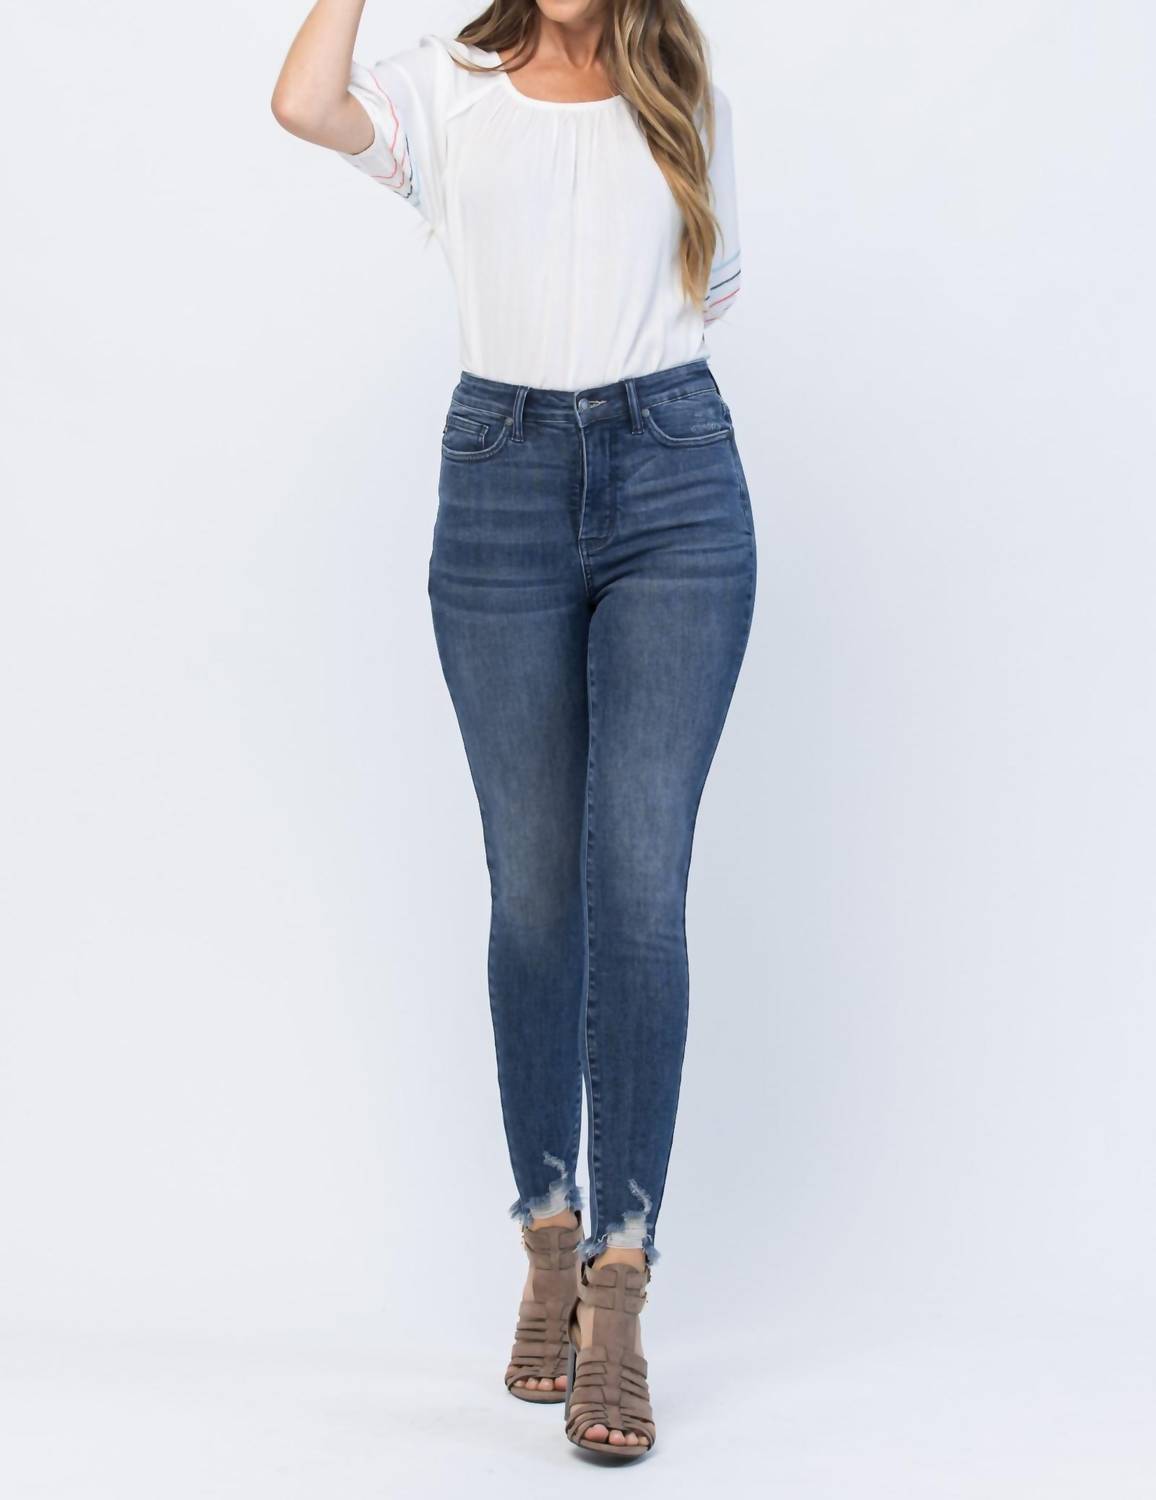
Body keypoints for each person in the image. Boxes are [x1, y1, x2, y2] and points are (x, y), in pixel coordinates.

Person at [272, 0, 753, 1460]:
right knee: (535, 891)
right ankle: (547, 1238)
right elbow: (303, 104)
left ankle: (620, 1283)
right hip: (501, 481)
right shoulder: (448, 87)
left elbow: (710, 291)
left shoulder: (682, 84)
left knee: (641, 888)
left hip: (676, 478)